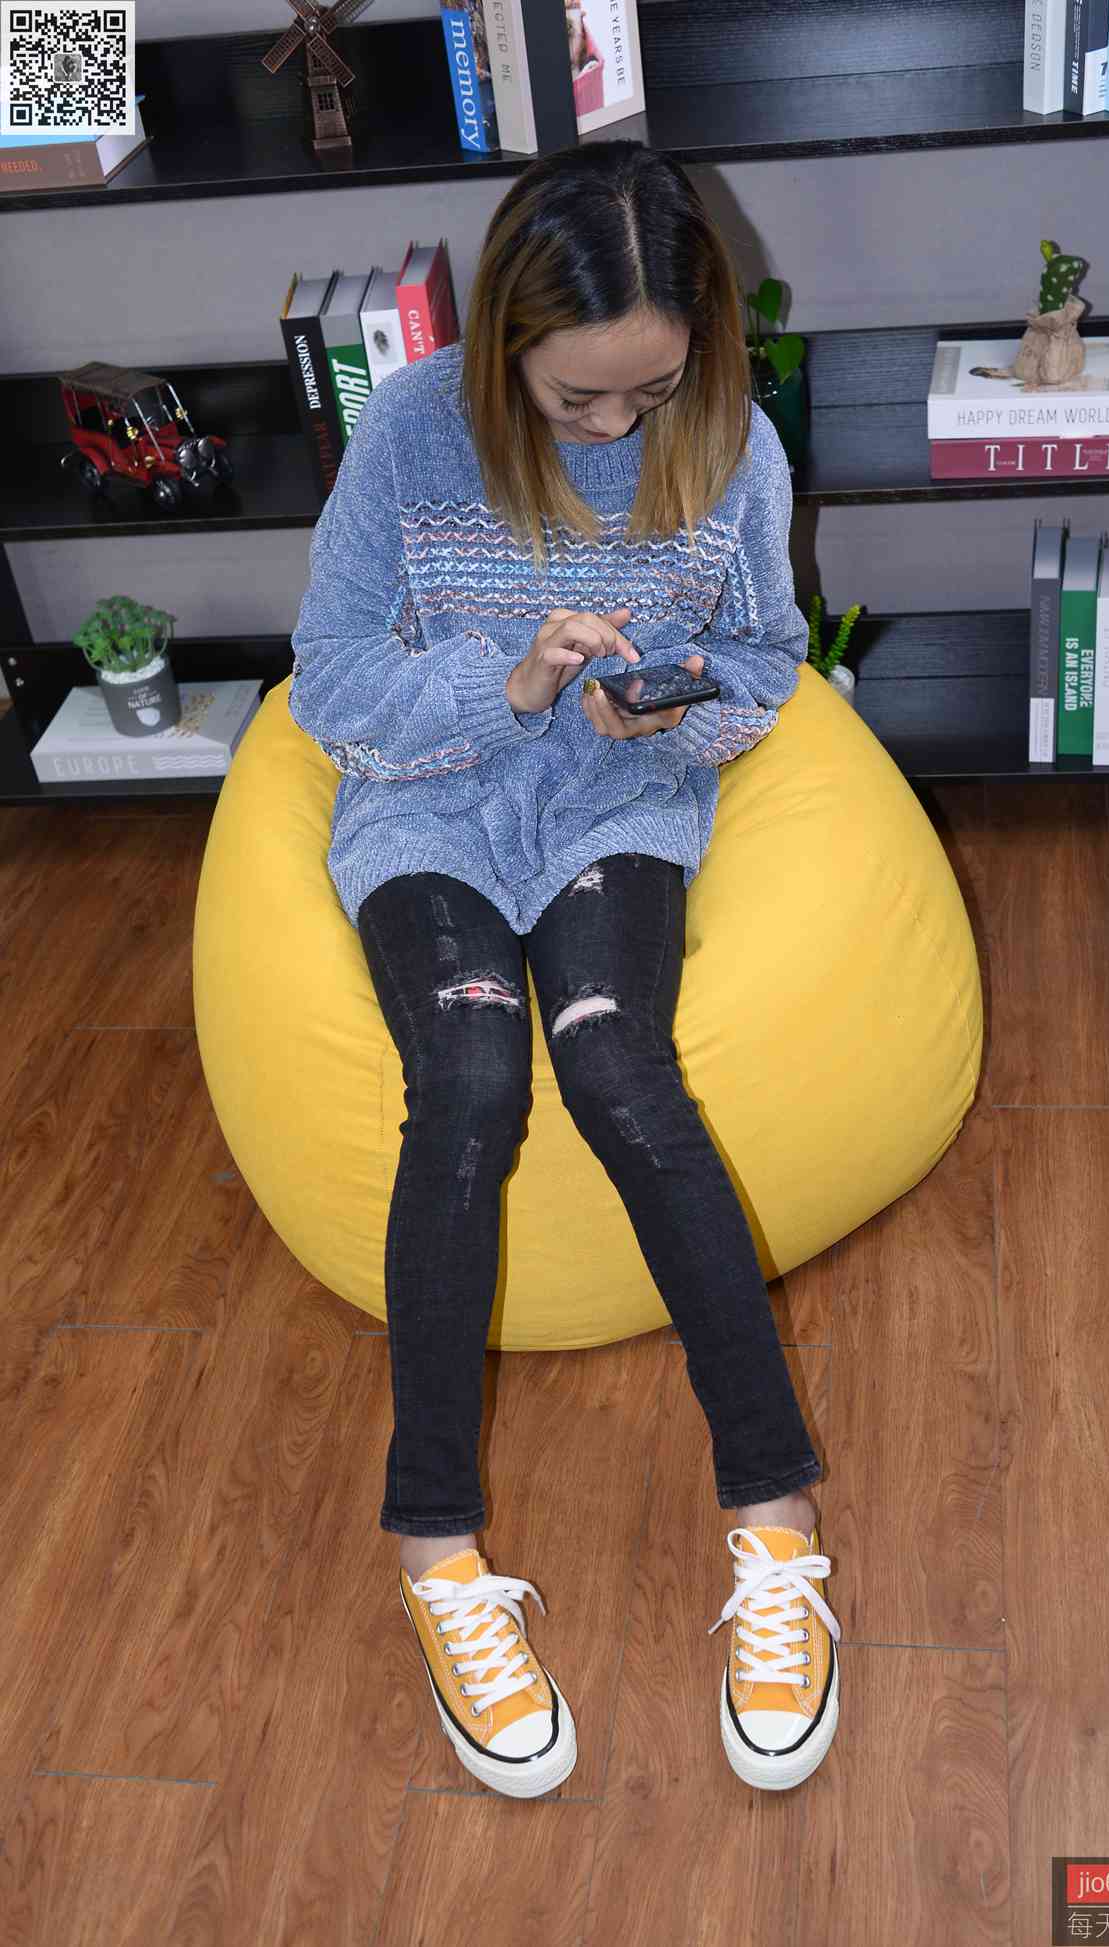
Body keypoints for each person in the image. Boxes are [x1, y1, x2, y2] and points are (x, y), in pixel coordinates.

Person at [288, 138, 841, 1800]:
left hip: (618, 804)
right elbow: (330, 684)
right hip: (431, 806)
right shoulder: (409, 432)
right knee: (467, 1086)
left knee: (617, 1069)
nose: (612, 429)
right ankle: (436, 1550)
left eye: (647, 391)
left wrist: (659, 697)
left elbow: (767, 660)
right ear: (505, 342)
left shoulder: (731, 441)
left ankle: (778, 1524)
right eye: (573, 395)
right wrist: (509, 685)